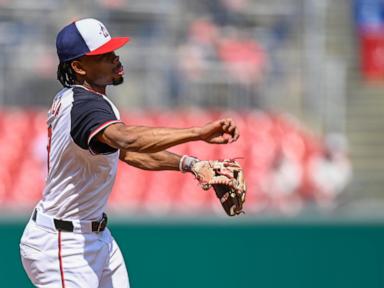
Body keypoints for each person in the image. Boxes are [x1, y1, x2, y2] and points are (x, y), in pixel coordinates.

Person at [19, 18, 240, 288]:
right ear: (79, 67)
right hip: (63, 244)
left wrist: (190, 164)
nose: (114, 58)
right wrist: (198, 133)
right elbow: (128, 139)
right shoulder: (83, 105)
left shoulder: (89, 101)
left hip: (94, 236)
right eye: (103, 55)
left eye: (113, 50)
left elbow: (124, 152)